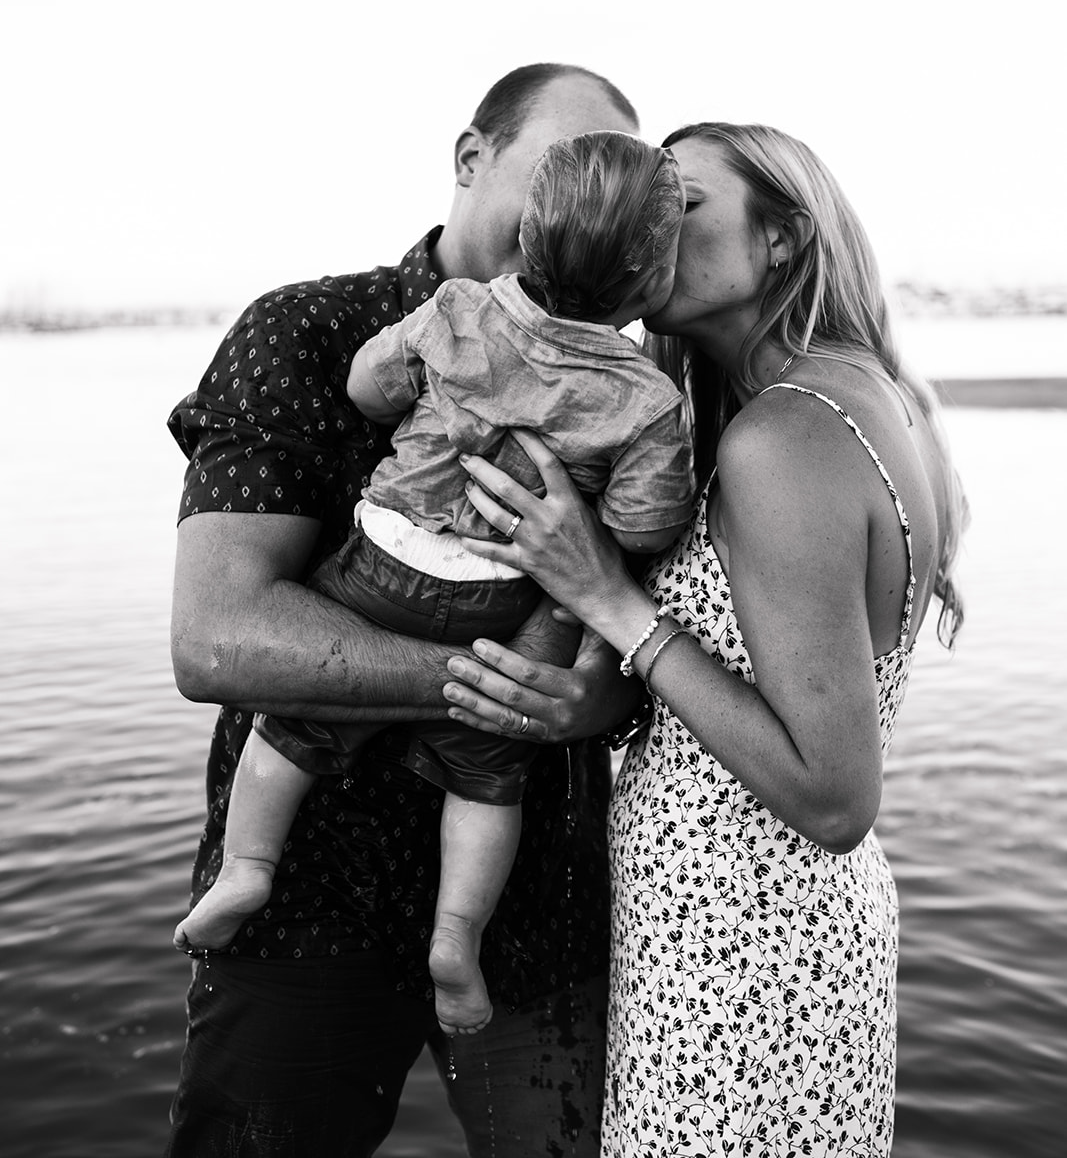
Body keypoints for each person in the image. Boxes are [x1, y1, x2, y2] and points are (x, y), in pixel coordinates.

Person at [443, 121, 967, 1157]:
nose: (647, 224)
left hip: (742, 959)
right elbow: (770, 673)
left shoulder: (781, 436)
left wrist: (607, 599)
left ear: (779, 237)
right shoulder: (865, 398)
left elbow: (831, 794)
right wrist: (611, 695)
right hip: (760, 944)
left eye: (677, 204)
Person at [165, 65, 655, 1158]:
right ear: (470, 159)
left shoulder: (633, 384)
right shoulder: (307, 332)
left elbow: (632, 608)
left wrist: (598, 696)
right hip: (303, 908)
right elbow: (213, 639)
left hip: (530, 920)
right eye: (554, 168)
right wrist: (499, 691)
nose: (576, 201)